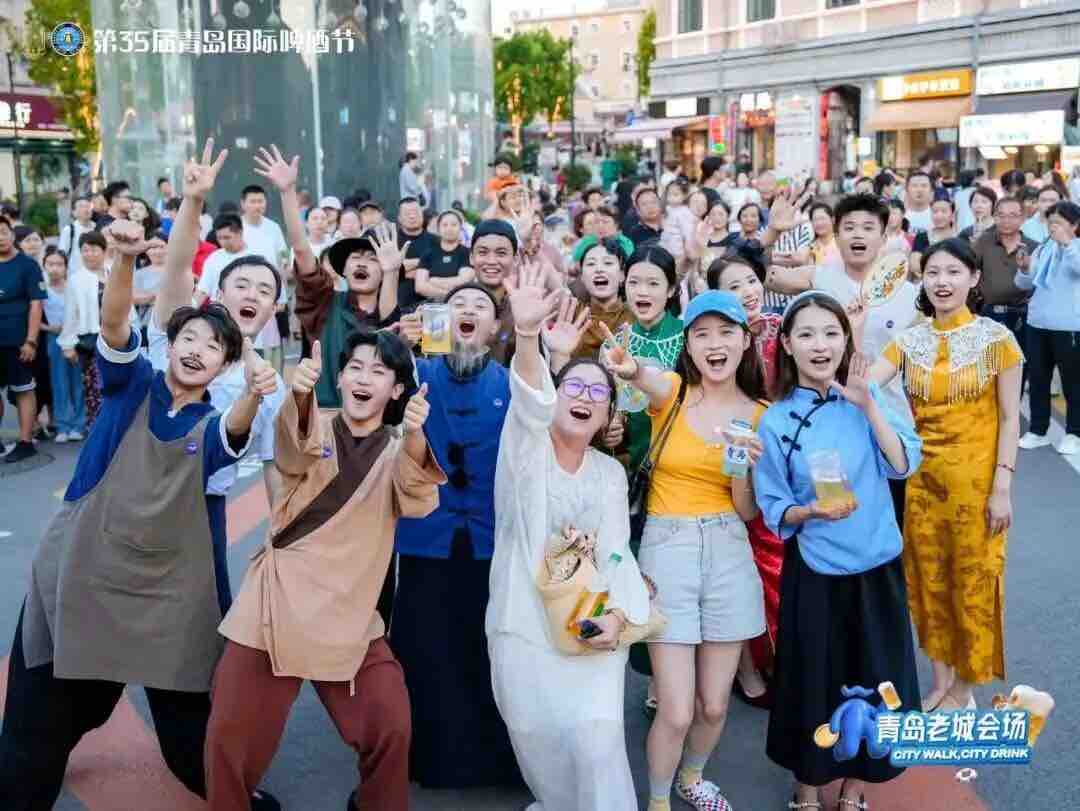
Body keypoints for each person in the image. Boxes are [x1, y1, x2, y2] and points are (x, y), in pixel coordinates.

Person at [0, 217, 278, 811]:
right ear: (169, 345)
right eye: (189, 339)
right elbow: (113, 324)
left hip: (170, 590)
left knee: (189, 732)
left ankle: (237, 796)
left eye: (212, 346)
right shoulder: (132, 383)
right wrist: (124, 260)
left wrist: (258, 393)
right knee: (35, 721)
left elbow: (235, 429)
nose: (197, 350)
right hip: (84, 572)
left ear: (225, 367)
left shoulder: (212, 425)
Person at [206, 329, 443, 811]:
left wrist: (416, 434)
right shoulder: (316, 424)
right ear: (340, 377)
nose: (364, 378)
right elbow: (293, 449)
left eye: (379, 371)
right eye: (355, 367)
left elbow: (417, 498)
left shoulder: (399, 448)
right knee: (227, 735)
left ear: (397, 390)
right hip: (274, 604)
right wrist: (299, 394)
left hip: (348, 613)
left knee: (391, 724)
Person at [488, 264, 651, 811]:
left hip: (591, 626)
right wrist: (528, 336)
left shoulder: (608, 475)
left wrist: (620, 617)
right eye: (573, 387)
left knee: (598, 743)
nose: (584, 396)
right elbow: (529, 402)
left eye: (597, 393)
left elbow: (618, 552)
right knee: (535, 739)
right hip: (521, 621)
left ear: (606, 416)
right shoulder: (524, 450)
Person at [753, 291, 923, 811]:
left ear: (846, 340)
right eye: (806, 334)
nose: (820, 345)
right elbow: (773, 502)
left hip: (877, 567)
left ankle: (855, 787)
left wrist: (869, 405)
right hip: (816, 571)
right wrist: (809, 512)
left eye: (831, 333)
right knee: (813, 681)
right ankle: (807, 787)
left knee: (876, 682)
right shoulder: (776, 420)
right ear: (787, 344)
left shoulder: (868, 397)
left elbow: (902, 465)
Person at [603, 291, 767, 811]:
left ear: (745, 341)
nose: (715, 344)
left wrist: (741, 469)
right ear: (689, 346)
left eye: (726, 333)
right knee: (675, 711)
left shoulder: (761, 414)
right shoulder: (673, 393)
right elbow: (641, 375)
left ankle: (691, 777)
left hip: (728, 547)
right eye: (702, 334)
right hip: (667, 548)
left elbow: (746, 511)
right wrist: (628, 366)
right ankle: (657, 801)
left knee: (714, 706)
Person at [866, 238, 1022, 712]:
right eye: (933, 272)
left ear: (973, 278)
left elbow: (1010, 419)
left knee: (973, 584)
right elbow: (864, 386)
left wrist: (1002, 487)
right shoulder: (909, 341)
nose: (942, 282)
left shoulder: (997, 340)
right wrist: (854, 322)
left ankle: (964, 690)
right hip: (923, 484)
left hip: (978, 488)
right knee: (928, 582)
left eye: (953, 272)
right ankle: (940, 682)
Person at [391, 283, 522, 790]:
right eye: (457, 305)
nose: (468, 310)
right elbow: (367, 390)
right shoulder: (415, 376)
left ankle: (497, 761)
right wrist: (396, 345)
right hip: (426, 539)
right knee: (426, 652)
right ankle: (430, 759)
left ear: (495, 328)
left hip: (492, 542)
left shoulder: (513, 383)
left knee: (491, 654)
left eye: (480, 306)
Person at [153, 137, 290, 522]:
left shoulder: (268, 383)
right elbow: (177, 269)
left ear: (273, 308)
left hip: (207, 509)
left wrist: (279, 538)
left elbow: (274, 465)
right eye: (241, 285)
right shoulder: (177, 338)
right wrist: (193, 201)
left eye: (264, 290)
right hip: (144, 495)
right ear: (217, 293)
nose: (252, 294)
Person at [766, 193, 920, 526]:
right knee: (833, 517)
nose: (858, 234)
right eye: (849, 227)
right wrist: (772, 233)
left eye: (868, 227)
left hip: (886, 421)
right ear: (836, 236)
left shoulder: (910, 296)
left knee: (886, 519)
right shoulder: (819, 278)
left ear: (884, 236)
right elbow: (761, 276)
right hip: (825, 425)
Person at [1015, 201, 1080, 455]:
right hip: (1038, 323)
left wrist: (1067, 244)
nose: (1053, 227)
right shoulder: (1044, 248)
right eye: (1051, 222)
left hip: (1069, 326)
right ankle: (1038, 430)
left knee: (1073, 382)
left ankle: (1074, 433)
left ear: (1074, 225)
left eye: (1059, 223)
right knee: (1038, 379)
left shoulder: (1074, 247)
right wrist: (1023, 269)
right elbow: (1025, 284)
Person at [0, 215, 45, 463]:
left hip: (18, 341)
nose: (0, 238)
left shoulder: (27, 266)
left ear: (12, 234)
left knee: (23, 390)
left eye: (4, 232)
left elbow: (36, 304)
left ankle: (26, 442)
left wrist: (31, 340)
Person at [973, 196, 1038, 361]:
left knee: (1020, 363)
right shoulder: (984, 241)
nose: (1006, 221)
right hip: (988, 313)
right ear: (994, 217)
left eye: (1012, 215)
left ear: (1023, 218)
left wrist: (1025, 268)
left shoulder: (1033, 247)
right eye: (1001, 215)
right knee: (988, 363)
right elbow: (970, 270)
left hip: (1022, 316)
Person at [40, 247, 86, 442]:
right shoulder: (41, 288)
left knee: (77, 382)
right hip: (53, 339)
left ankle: (78, 425)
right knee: (59, 383)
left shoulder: (73, 287)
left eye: (59, 264)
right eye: (50, 264)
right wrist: (48, 328)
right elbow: (33, 315)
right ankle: (62, 426)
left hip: (75, 338)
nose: (55, 268)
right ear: (44, 265)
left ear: (66, 267)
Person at [568, 236, 631, 359]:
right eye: (591, 264)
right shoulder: (572, 313)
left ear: (622, 275)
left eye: (608, 263)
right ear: (582, 277)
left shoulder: (636, 315)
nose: (599, 269)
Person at [413, 208, 474, 301]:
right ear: (438, 229)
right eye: (445, 225)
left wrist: (433, 281)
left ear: (460, 228)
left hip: (460, 304)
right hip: (432, 305)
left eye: (454, 225)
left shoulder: (467, 253)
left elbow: (464, 281)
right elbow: (420, 287)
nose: (449, 228)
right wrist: (448, 295)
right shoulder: (428, 254)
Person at [197, 214, 249, 306]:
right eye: (219, 238)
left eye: (227, 237)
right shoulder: (214, 258)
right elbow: (202, 291)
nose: (223, 242)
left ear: (240, 233)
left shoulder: (255, 256)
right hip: (218, 309)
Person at [910, 198, 956, 278]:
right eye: (935, 212)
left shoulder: (959, 238)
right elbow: (914, 265)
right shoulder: (921, 237)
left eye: (944, 211)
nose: (939, 215)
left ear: (952, 214)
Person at [59, 196, 97, 274]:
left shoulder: (97, 227)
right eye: (81, 206)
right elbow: (62, 254)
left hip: (96, 274)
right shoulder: (69, 230)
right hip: (75, 274)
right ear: (74, 212)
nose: (86, 209)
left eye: (88, 206)